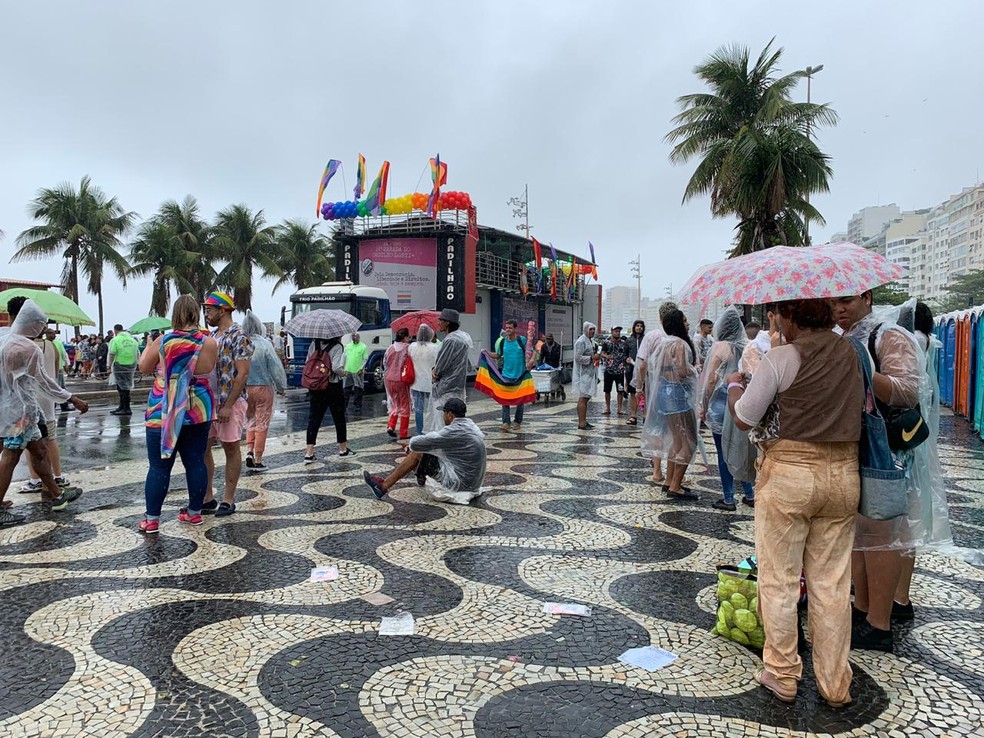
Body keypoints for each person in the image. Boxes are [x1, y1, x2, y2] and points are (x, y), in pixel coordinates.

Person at [729, 298, 862, 709]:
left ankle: (783, 673)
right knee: (833, 586)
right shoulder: (850, 352)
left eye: (777, 315)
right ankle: (835, 684)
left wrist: (736, 384)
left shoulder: (782, 357)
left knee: (780, 579)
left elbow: (745, 416)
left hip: (789, 474)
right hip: (843, 474)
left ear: (789, 316)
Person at [833, 293, 947, 653]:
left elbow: (908, 392)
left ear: (866, 297)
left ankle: (880, 623)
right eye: (833, 303)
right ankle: (862, 607)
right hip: (854, 444)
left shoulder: (889, 335)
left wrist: (865, 366)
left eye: (846, 300)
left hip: (887, 452)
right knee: (859, 533)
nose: (839, 308)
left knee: (883, 534)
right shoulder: (843, 338)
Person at [0, 299, 87, 523]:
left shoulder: (4, 338)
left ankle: (56, 494)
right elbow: (44, 382)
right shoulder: (28, 348)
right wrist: (72, 398)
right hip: (21, 412)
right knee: (10, 456)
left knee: (39, 451)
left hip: (13, 408)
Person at [137, 295, 218, 533]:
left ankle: (152, 519)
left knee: (159, 466)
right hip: (197, 406)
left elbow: (143, 366)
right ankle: (194, 513)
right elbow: (208, 368)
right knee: (195, 461)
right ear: (196, 313)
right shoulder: (209, 342)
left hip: (164, 406)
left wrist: (152, 345)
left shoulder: (164, 340)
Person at [363, 398, 487, 505]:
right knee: (427, 449)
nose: (442, 417)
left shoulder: (454, 430)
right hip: (473, 483)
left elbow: (415, 443)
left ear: (450, 415)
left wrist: (414, 446)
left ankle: (383, 487)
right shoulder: (470, 426)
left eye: (443, 413)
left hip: (459, 483)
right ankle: (421, 476)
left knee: (418, 452)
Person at [202, 292, 253, 516]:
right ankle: (207, 497)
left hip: (228, 401)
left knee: (230, 446)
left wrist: (228, 405)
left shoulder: (238, 335)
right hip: (209, 400)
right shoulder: (212, 336)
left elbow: (242, 374)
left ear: (222, 310)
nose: (206, 314)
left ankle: (228, 498)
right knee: (203, 446)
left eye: (209, 310)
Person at [698, 307, 754, 511]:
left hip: (720, 407)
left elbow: (711, 380)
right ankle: (749, 494)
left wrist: (703, 406)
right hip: (740, 404)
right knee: (741, 449)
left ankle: (729, 498)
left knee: (724, 453)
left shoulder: (720, 347)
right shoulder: (748, 346)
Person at [643, 309, 702, 499]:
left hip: (664, 394)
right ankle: (676, 486)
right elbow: (683, 371)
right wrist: (696, 370)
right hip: (678, 395)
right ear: (678, 324)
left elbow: (654, 368)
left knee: (676, 439)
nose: (688, 323)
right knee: (688, 441)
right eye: (684, 320)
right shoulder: (679, 344)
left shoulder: (662, 343)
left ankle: (669, 481)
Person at [22, 320, 70, 492]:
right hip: (48, 398)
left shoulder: (24, 346)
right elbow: (55, 374)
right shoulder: (52, 346)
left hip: (30, 397)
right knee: (51, 438)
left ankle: (34, 479)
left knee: (31, 441)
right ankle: (58, 476)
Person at [243, 311, 286, 472]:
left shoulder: (242, 343)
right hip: (264, 388)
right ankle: (258, 458)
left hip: (246, 389)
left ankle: (249, 451)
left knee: (251, 422)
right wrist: (281, 387)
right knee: (262, 423)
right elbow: (276, 369)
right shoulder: (265, 344)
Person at [304, 335, 353, 460]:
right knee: (339, 417)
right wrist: (344, 373)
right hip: (332, 386)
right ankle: (343, 449)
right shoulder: (337, 346)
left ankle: (309, 453)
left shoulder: (314, 344)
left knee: (314, 418)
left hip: (315, 386)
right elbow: (336, 367)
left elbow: (308, 362)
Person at [430, 308, 473, 433]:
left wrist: (435, 372)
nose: (439, 323)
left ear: (447, 323)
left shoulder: (450, 340)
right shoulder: (462, 339)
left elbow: (442, 364)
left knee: (443, 424)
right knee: (456, 423)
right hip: (457, 386)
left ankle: (443, 450)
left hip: (446, 388)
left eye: (441, 321)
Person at [487, 319, 533, 431]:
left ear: (515, 328)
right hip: (506, 375)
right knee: (504, 399)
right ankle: (506, 422)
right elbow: (498, 355)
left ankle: (517, 421)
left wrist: (531, 361)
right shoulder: (503, 342)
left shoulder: (521, 340)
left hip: (520, 375)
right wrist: (487, 353)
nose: (507, 330)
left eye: (510, 328)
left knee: (520, 401)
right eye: (506, 327)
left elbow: (531, 352)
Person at [408, 324, 440, 434]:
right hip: (430, 382)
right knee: (433, 408)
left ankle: (420, 431)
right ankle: (431, 429)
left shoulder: (412, 346)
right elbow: (438, 364)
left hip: (415, 382)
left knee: (418, 409)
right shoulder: (435, 348)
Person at [384, 328, 413, 440]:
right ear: (405, 337)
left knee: (394, 404)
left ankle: (391, 426)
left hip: (389, 379)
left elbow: (385, 363)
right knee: (405, 406)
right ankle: (404, 432)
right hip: (401, 380)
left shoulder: (390, 348)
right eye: (408, 337)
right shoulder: (407, 348)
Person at [108, 324, 139, 416]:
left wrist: (109, 365)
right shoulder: (133, 340)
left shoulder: (116, 340)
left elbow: (112, 353)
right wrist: (137, 364)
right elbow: (137, 352)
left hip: (120, 364)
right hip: (131, 365)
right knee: (126, 387)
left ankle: (126, 408)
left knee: (122, 387)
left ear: (115, 331)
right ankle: (122, 406)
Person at [572, 322, 597, 430]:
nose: (592, 331)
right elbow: (577, 358)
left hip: (589, 373)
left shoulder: (590, 341)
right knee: (583, 398)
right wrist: (591, 358)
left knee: (586, 397)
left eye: (593, 329)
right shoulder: (581, 341)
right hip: (582, 374)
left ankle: (584, 420)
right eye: (590, 329)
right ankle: (581, 423)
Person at [600, 326, 629, 416]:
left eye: (619, 331)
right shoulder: (606, 342)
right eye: (616, 331)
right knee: (607, 390)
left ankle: (619, 408)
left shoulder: (623, 343)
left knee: (620, 390)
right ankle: (607, 408)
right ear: (612, 331)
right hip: (609, 370)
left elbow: (626, 354)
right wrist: (606, 356)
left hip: (620, 371)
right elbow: (602, 353)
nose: (618, 333)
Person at [624, 321, 646, 426]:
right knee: (632, 393)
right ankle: (633, 416)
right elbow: (624, 355)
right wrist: (627, 360)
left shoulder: (646, 340)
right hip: (631, 370)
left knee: (645, 392)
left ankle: (646, 416)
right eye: (637, 326)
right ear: (634, 327)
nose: (639, 328)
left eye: (641, 326)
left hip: (644, 370)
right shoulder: (629, 340)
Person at [342, 332, 369, 411]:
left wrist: (361, 368)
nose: (354, 337)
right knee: (346, 389)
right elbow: (344, 356)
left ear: (359, 337)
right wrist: (342, 366)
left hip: (358, 371)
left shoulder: (363, 347)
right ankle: (344, 405)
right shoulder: (348, 346)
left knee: (358, 389)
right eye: (353, 336)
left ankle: (357, 405)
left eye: (355, 336)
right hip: (348, 370)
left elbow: (365, 359)